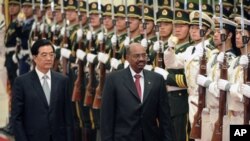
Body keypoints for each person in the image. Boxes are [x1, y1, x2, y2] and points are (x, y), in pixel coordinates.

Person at [101, 43, 176, 141]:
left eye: (144, 55)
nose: (141, 59)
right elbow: (107, 117)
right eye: (137, 56)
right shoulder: (114, 79)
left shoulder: (157, 79)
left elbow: (164, 117)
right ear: (127, 58)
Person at [11, 39, 74, 141]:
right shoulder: (22, 82)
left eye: (51, 55)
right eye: (44, 55)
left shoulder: (63, 81)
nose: (49, 58)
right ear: (35, 58)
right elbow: (16, 118)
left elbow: (68, 117)